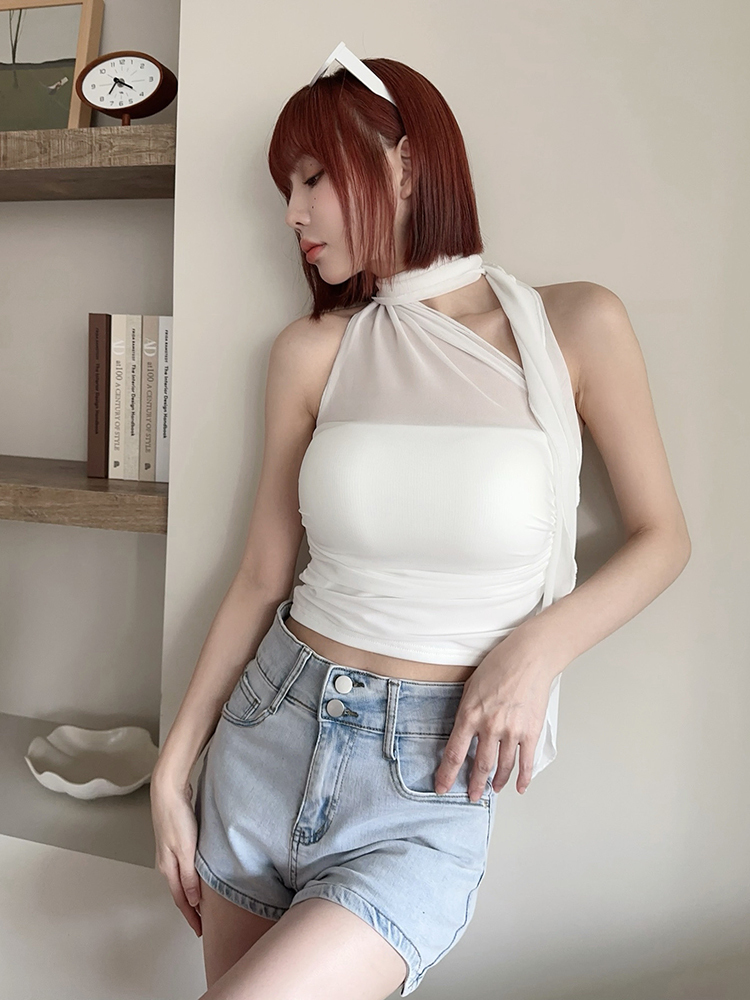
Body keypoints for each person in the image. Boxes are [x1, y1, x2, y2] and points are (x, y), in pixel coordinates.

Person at [150, 42, 691, 1000]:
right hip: (269, 730)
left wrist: (535, 652)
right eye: (286, 188)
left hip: (425, 779)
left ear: (402, 164)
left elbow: (664, 538)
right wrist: (171, 768)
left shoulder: (574, 327)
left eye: (313, 178)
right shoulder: (312, 352)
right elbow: (263, 576)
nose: (292, 213)